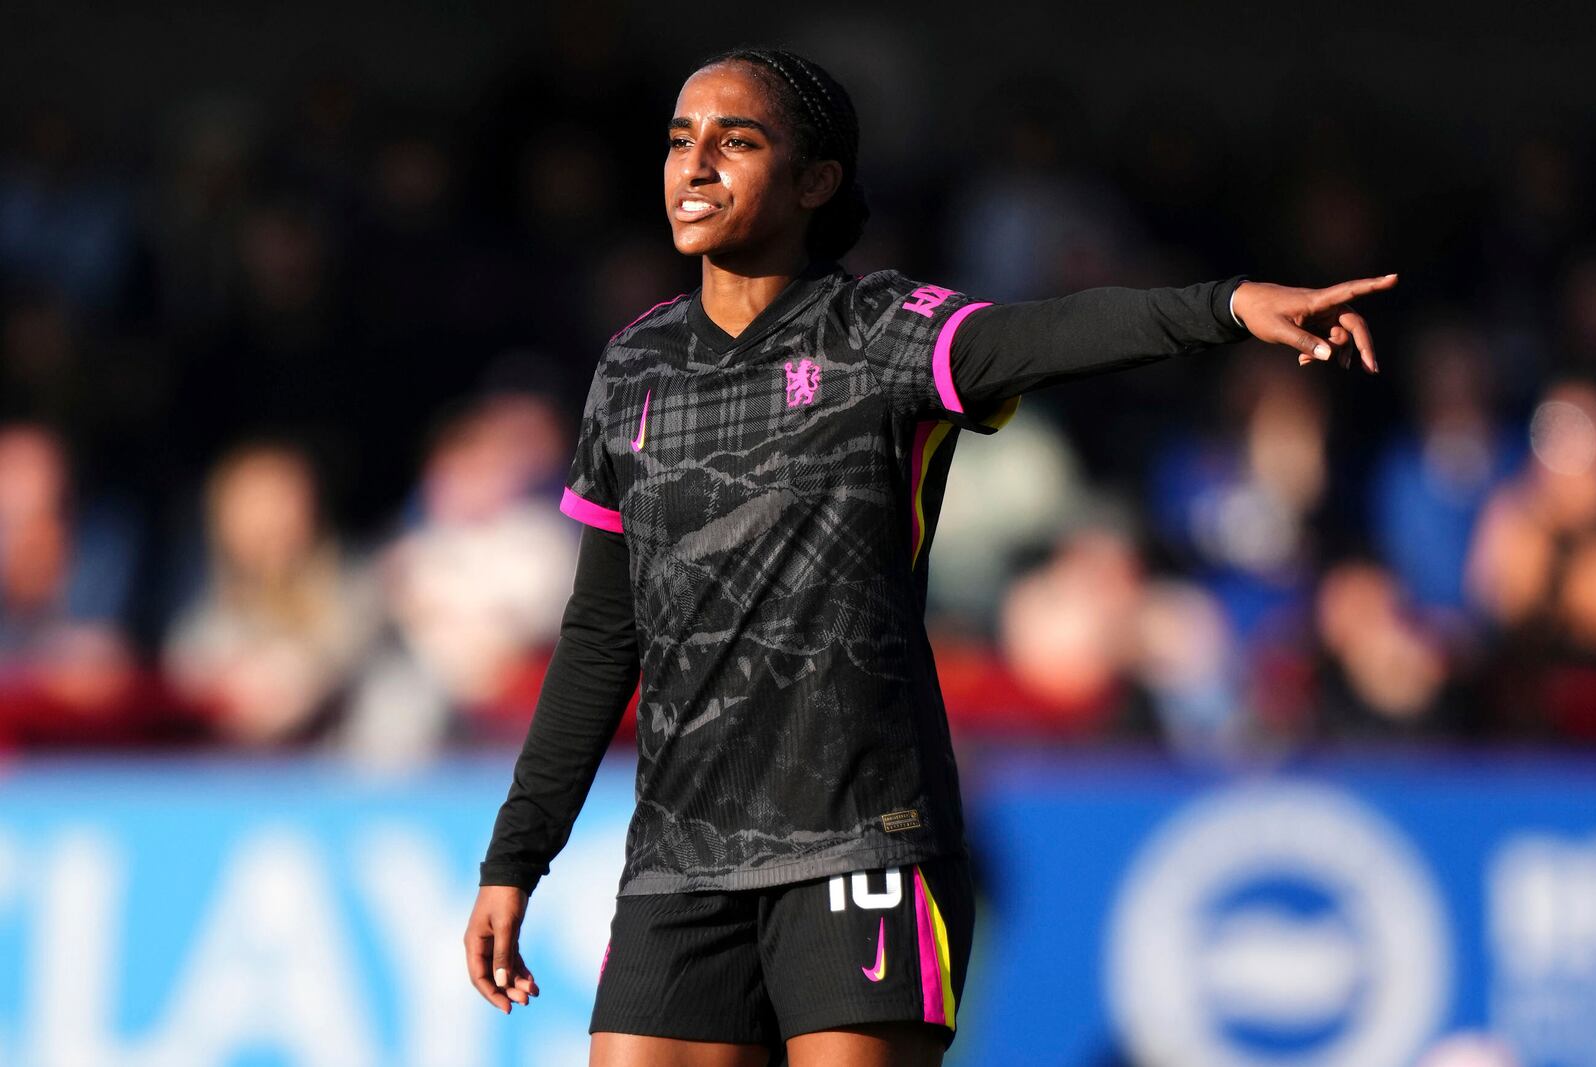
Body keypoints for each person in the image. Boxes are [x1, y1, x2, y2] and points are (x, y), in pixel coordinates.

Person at [463, 46, 1396, 1067]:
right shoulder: (632, 366)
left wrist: (1222, 307)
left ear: (817, 181)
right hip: (680, 858)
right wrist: (517, 858)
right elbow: (602, 637)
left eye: (737, 141)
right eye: (681, 140)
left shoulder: (878, 334)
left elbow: (1048, 331)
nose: (695, 164)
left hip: (860, 840)